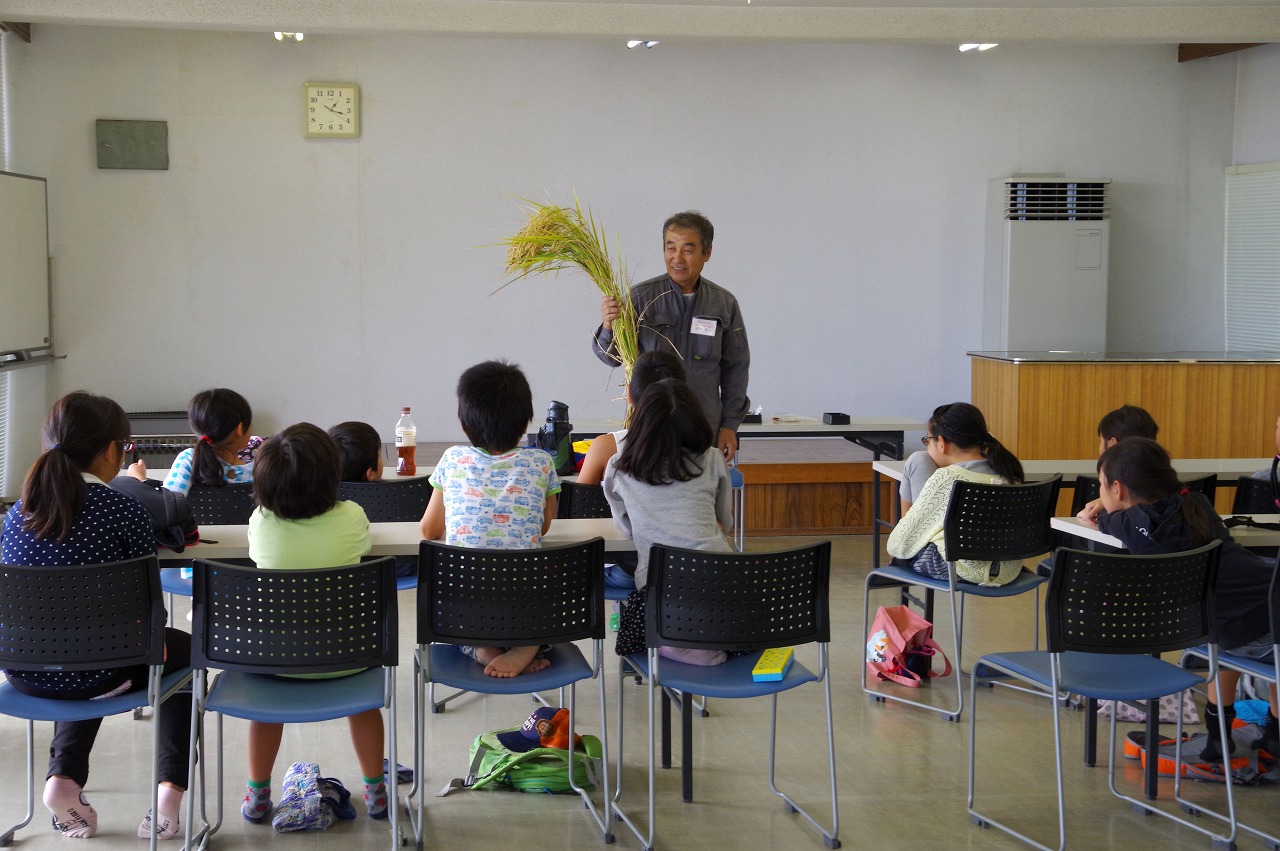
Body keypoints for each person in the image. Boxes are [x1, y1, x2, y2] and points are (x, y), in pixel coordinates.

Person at [0, 391, 194, 840]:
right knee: (182, 651)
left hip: (26, 669)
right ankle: (169, 794)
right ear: (112, 450)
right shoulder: (124, 510)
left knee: (76, 643)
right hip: (107, 669)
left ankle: (63, 778)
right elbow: (150, 606)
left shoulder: (16, 515)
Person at [1076, 437, 1277, 762]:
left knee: (1220, 638)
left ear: (1118, 488)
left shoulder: (1130, 523)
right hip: (1270, 608)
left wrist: (1101, 509)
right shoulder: (1197, 504)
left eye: (1101, 486)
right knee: (1232, 630)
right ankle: (1274, 739)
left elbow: (1113, 520)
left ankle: (1217, 740)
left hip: (1237, 635)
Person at [242, 424, 389, 823]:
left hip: (275, 661)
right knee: (366, 705)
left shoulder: (260, 522)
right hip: (348, 659)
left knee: (264, 709)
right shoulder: (353, 516)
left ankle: (257, 796)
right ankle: (375, 789)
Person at [419, 360, 561, 678]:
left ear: (463, 423)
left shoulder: (452, 458)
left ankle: (480, 648)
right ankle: (528, 645)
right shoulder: (541, 462)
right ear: (525, 424)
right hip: (526, 610)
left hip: (467, 611)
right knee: (542, 592)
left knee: (455, 602)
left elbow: (429, 530)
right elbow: (543, 525)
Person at [592, 210, 750, 463]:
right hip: (650, 428)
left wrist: (730, 425)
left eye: (688, 249)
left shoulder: (724, 304)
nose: (677, 258)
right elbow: (611, 358)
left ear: (707, 253)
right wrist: (609, 326)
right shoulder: (641, 297)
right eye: (670, 248)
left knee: (698, 497)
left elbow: (736, 368)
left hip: (703, 429)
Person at [602, 378, 734, 664]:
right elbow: (725, 521)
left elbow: (626, 527)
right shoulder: (712, 459)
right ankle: (706, 645)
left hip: (662, 591)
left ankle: (678, 646)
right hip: (724, 584)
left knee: (634, 624)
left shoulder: (619, 465)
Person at [886, 402, 1026, 586]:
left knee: (904, 539)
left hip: (957, 568)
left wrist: (899, 541)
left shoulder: (946, 477)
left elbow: (899, 544)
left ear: (942, 443)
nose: (927, 446)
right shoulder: (1009, 471)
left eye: (928, 440)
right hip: (1007, 569)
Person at [577, 350, 687, 486]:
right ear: (685, 394)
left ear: (629, 393)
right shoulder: (707, 456)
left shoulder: (606, 448)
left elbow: (578, 502)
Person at [161, 388, 261, 494]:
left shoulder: (188, 460)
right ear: (239, 429)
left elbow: (169, 504)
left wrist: (143, 481)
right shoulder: (258, 471)